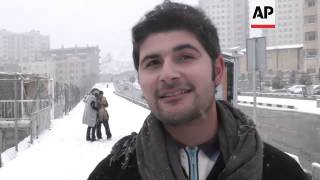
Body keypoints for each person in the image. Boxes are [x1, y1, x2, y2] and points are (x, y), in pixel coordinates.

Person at [88, 2, 308, 180]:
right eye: (153, 63)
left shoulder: (282, 172)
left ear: (218, 70)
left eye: (185, 57)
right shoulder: (112, 174)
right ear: (141, 80)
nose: (167, 74)